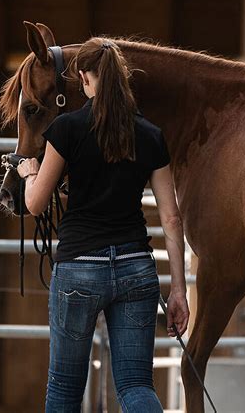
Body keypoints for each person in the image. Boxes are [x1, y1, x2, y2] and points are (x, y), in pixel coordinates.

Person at [17, 37, 189, 412]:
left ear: (83, 79)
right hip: (136, 269)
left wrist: (29, 172)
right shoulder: (151, 135)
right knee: (135, 385)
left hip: (79, 269)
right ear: (121, 79)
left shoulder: (66, 130)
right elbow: (172, 218)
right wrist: (179, 289)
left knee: (64, 388)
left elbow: (35, 203)